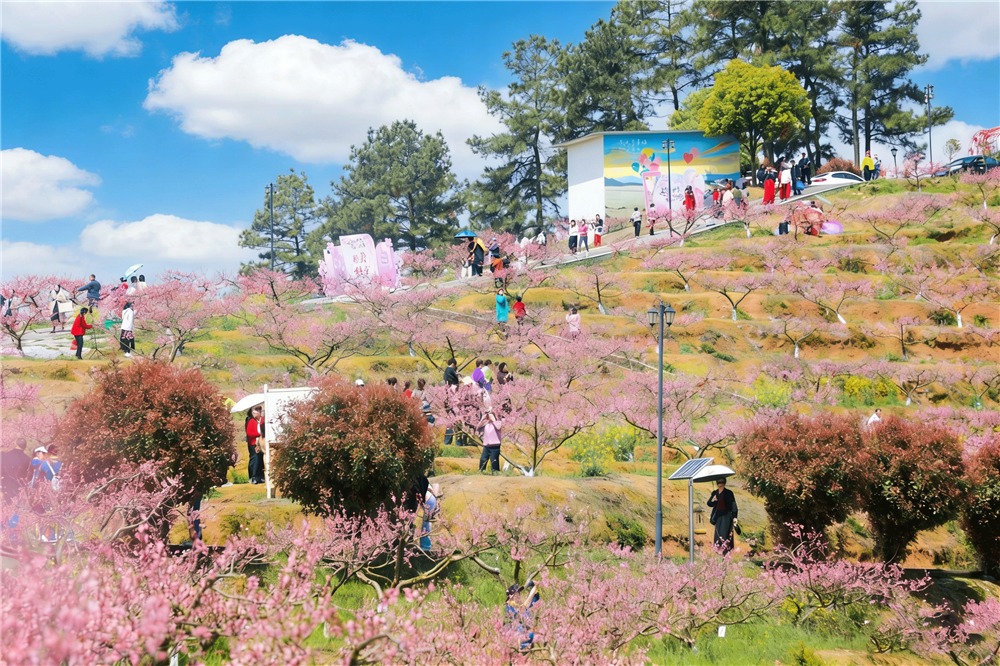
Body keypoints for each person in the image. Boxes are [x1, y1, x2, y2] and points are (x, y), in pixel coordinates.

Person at [707, 478, 738, 554]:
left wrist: (735, 517)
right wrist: (713, 500)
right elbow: (709, 504)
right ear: (717, 483)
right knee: (718, 535)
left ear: (724, 483)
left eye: (722, 482)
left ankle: (726, 553)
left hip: (727, 516)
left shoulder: (729, 493)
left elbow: (733, 505)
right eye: (719, 482)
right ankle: (718, 552)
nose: (720, 484)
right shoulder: (715, 493)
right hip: (718, 516)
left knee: (726, 534)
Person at [1, 438, 31, 503]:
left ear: (16, 444)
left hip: (5, 487)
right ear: (25, 446)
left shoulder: (4, 455)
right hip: (20, 488)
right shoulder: (28, 459)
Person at [245, 405, 265, 484]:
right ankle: (253, 476)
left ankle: (260, 476)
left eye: (257, 410)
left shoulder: (262, 419)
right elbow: (249, 433)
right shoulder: (251, 421)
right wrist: (259, 434)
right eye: (253, 410)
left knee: (261, 459)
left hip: (262, 442)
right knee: (255, 459)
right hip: (253, 443)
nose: (255, 412)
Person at [419, 483, 441, 551]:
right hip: (430, 499)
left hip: (429, 500)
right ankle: (425, 546)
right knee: (426, 524)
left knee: (425, 524)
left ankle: (425, 547)